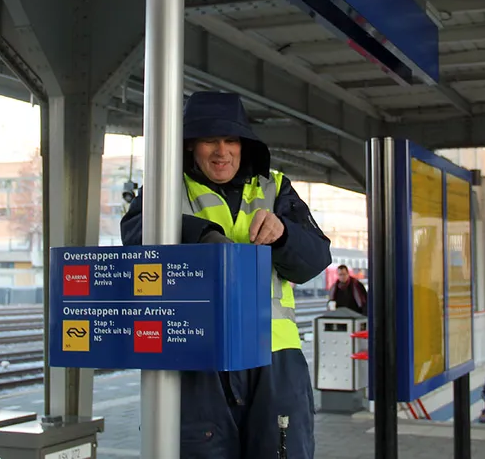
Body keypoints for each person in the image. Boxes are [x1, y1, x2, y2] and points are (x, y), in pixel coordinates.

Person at [121, 91, 332, 459]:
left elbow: (315, 258)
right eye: (209, 140)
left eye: (231, 140)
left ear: (244, 143)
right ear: (190, 145)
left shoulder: (274, 187)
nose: (222, 152)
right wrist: (200, 235)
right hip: (194, 357)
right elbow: (134, 237)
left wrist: (283, 234)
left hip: (273, 356)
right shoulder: (164, 187)